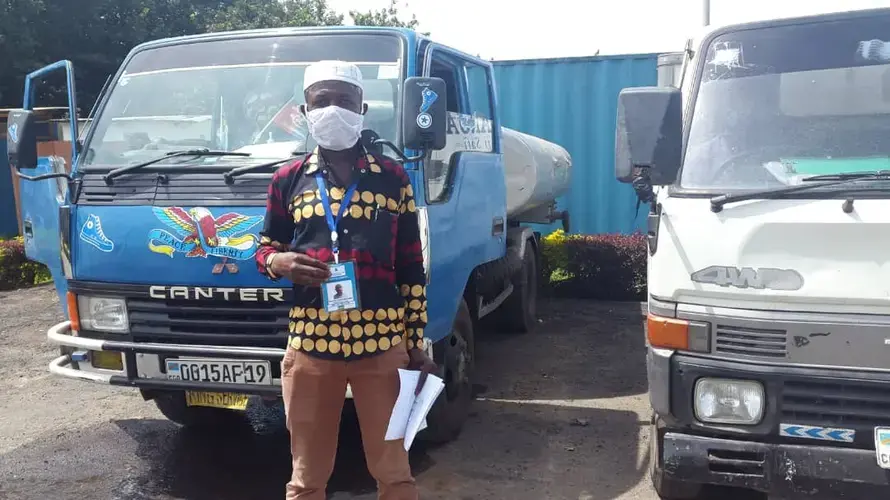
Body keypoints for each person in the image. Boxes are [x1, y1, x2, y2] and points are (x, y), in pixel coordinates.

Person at [255, 60, 437, 500]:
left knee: (394, 472)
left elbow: (412, 267)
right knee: (306, 477)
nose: (333, 110)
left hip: (382, 347)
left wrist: (416, 345)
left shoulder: (393, 179)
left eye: (344, 100)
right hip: (311, 348)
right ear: (305, 109)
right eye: (322, 101)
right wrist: (277, 262)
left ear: (363, 107)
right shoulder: (287, 179)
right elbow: (263, 246)